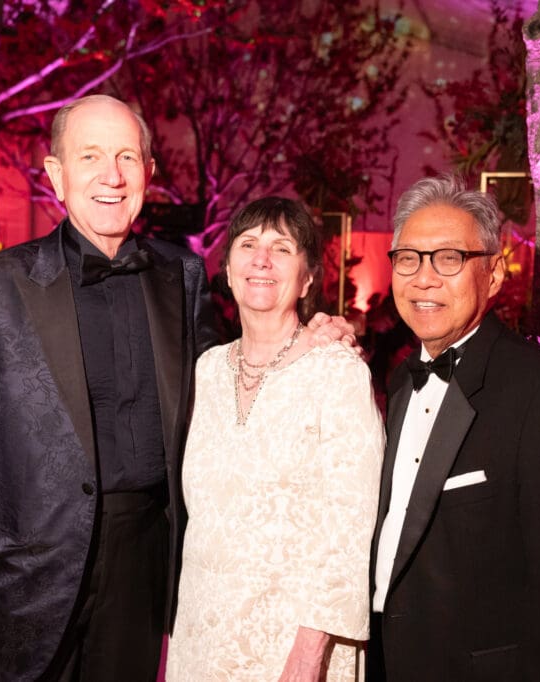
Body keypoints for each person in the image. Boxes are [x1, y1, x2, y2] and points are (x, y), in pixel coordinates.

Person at [0, 95, 353, 682]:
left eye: (127, 156)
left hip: (144, 574)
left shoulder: (183, 275)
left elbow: (232, 381)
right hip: (22, 582)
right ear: (56, 174)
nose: (112, 175)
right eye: (91, 156)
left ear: (149, 172)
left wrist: (311, 334)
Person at [368, 174, 540, 681]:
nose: (423, 278)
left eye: (448, 259)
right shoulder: (398, 381)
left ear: (494, 275)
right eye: (408, 258)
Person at [166, 197, 383, 681]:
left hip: (294, 648)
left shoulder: (336, 372)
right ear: (226, 269)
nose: (261, 259)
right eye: (248, 244)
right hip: (202, 640)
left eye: (282, 248)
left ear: (307, 277)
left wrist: (308, 658)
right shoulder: (205, 371)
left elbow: (350, 527)